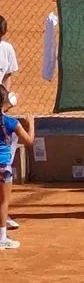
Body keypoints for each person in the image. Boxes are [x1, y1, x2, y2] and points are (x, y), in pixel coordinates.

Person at [0, 84, 34, 249]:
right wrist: (31, 124)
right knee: (3, 202)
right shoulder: (11, 122)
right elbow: (29, 141)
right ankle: (2, 238)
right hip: (3, 167)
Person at [0, 15, 19, 230]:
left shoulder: (6, 49)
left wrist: (5, 100)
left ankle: (3, 215)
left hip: (0, 107)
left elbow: (8, 76)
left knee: (6, 156)